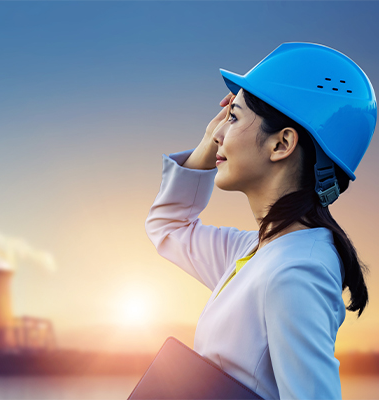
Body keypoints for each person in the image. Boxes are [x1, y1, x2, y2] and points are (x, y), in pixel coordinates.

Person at [145, 42, 376, 399]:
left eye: (233, 117)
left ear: (282, 144)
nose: (218, 132)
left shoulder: (296, 270)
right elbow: (168, 227)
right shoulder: (257, 251)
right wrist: (210, 141)